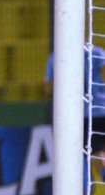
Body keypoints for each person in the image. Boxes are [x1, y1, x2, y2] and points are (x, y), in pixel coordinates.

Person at [44, 44, 105, 185]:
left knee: (93, 152)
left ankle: (88, 185)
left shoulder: (56, 57)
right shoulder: (96, 52)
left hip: (80, 114)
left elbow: (47, 89)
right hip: (102, 107)